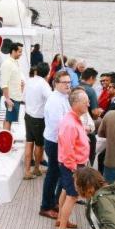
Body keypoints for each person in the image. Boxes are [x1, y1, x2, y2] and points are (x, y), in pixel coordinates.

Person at [55, 89, 90, 229]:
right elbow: (68, 149)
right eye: (85, 101)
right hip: (73, 166)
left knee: (64, 190)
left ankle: (60, 219)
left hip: (70, 165)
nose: (88, 104)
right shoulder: (70, 123)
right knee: (72, 196)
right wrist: (75, 170)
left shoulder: (73, 119)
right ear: (76, 104)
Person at [39, 71, 72, 219]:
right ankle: (45, 206)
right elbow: (58, 125)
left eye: (69, 82)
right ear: (56, 83)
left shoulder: (64, 97)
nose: (68, 85)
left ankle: (54, 202)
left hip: (60, 142)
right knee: (53, 174)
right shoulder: (54, 100)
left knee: (58, 174)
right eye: (64, 82)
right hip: (55, 142)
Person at [23, 62, 51, 180]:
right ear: (47, 73)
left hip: (28, 115)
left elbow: (23, 97)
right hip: (39, 118)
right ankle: (36, 168)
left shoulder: (29, 81)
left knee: (29, 143)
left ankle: (27, 171)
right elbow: (51, 99)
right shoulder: (44, 84)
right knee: (39, 145)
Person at [1, 42, 26, 131]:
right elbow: (4, 83)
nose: (21, 54)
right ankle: (6, 137)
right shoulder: (7, 64)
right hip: (11, 97)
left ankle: (6, 135)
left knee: (9, 119)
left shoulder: (15, 62)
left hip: (16, 96)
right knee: (9, 119)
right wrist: (7, 99)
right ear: (13, 51)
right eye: (19, 51)